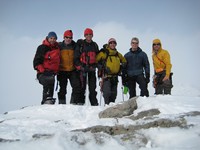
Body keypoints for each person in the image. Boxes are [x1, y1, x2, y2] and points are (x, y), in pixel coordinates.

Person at [96, 38, 126, 105]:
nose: (112, 44)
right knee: (107, 93)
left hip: (115, 77)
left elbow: (124, 61)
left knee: (114, 95)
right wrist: (101, 66)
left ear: (116, 44)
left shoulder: (118, 54)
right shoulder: (104, 53)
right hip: (106, 77)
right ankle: (106, 106)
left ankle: (111, 109)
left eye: (114, 43)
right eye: (111, 43)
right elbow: (96, 60)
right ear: (108, 44)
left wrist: (121, 67)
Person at [33, 31, 60, 104]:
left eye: (54, 38)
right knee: (48, 81)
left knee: (51, 82)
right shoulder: (42, 47)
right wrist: (42, 70)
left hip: (52, 73)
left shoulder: (57, 48)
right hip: (43, 72)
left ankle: (49, 100)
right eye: (51, 38)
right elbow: (36, 61)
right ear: (48, 38)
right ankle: (46, 100)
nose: (52, 40)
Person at [74, 28, 99, 106]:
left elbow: (97, 57)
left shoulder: (94, 45)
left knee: (92, 88)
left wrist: (95, 66)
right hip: (83, 70)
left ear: (92, 35)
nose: (89, 36)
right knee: (82, 88)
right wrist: (81, 67)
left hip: (91, 69)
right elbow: (76, 58)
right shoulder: (81, 44)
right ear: (85, 35)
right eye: (87, 34)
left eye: (90, 34)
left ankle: (94, 104)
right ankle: (80, 103)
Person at [57, 30, 83, 104]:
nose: (68, 39)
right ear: (64, 37)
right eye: (67, 37)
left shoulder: (75, 46)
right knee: (62, 89)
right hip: (62, 70)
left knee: (76, 86)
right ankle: (62, 104)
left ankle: (73, 103)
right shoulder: (59, 46)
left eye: (70, 37)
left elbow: (78, 55)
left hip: (73, 70)